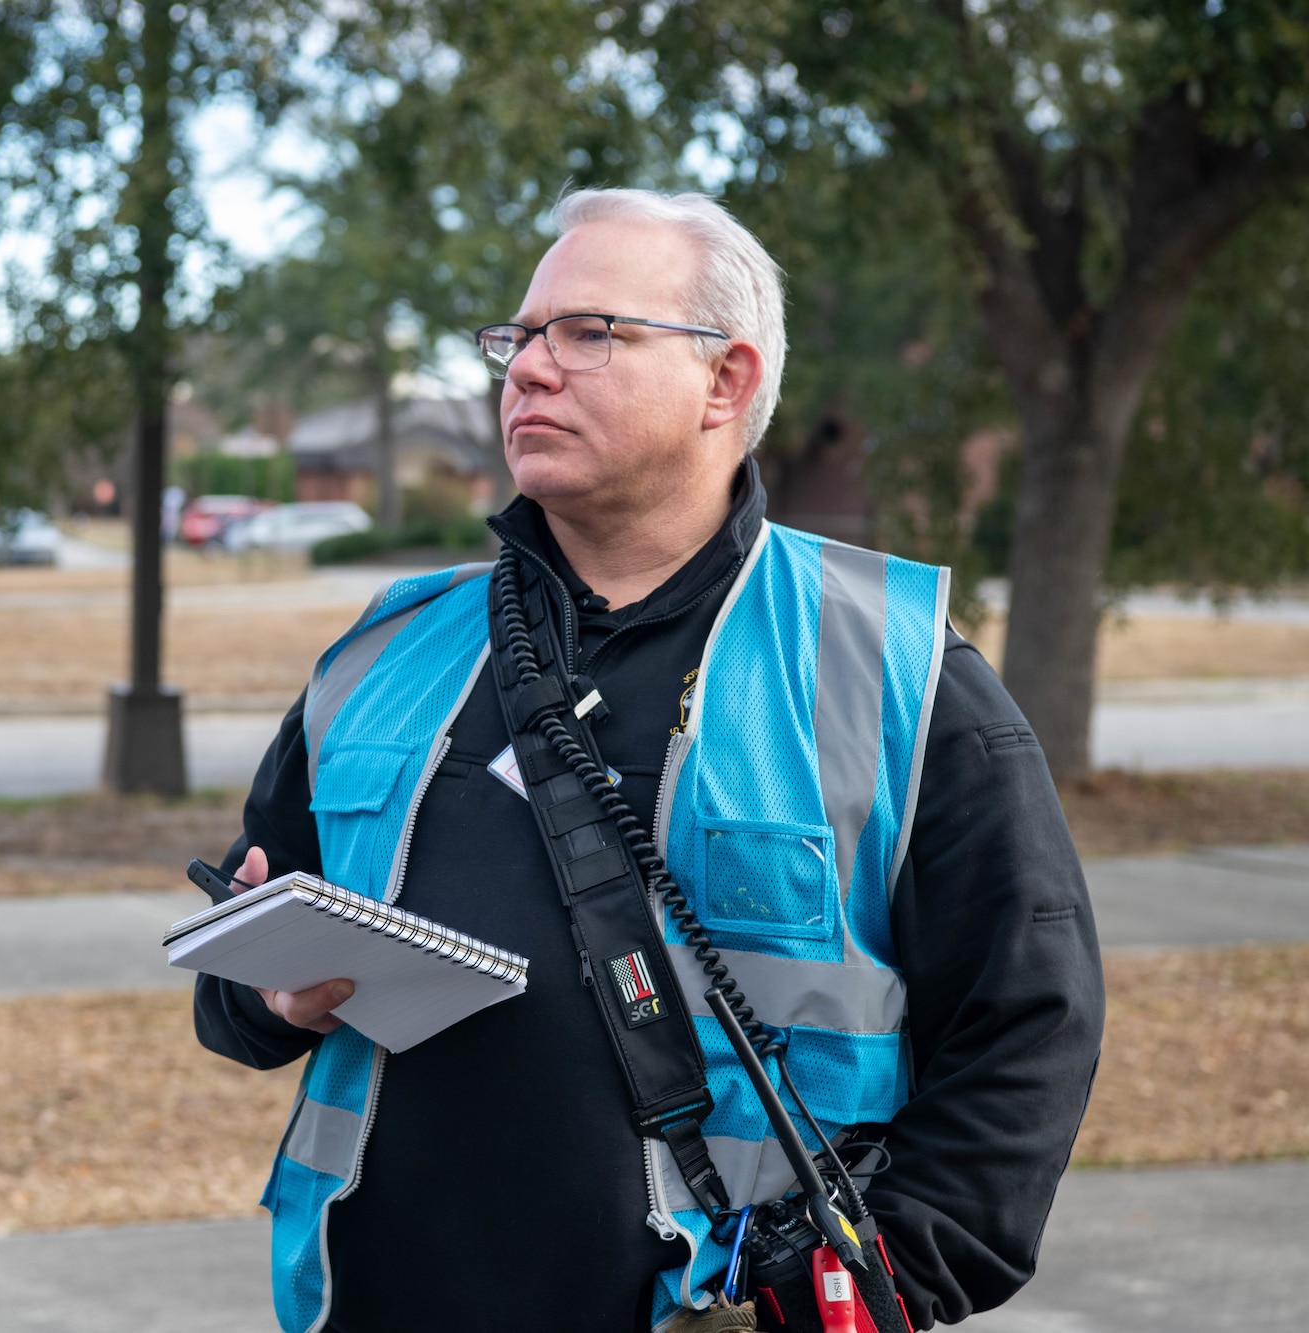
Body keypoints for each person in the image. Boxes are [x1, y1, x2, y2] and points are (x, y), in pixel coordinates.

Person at [193, 188, 1104, 1333]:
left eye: (588, 332)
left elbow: (1030, 1021)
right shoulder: (383, 650)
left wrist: (859, 1297)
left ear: (725, 380)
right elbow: (244, 975)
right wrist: (270, 994)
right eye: (518, 337)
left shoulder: (888, 666)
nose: (526, 369)